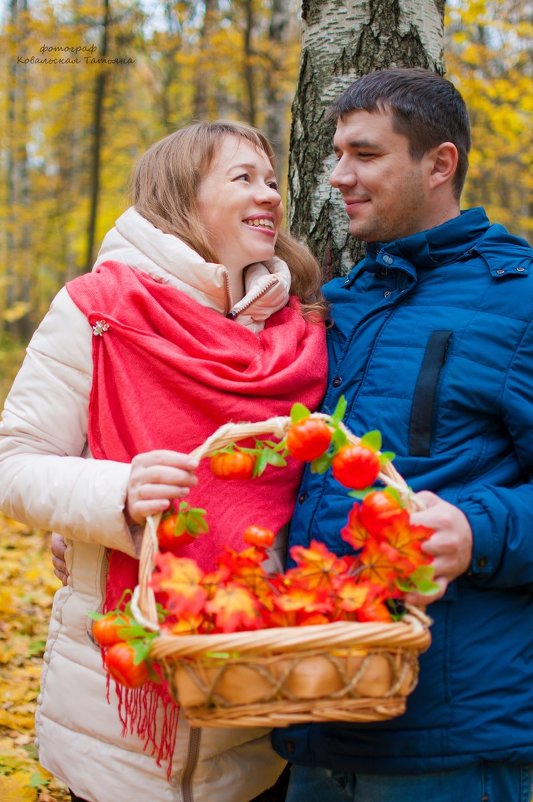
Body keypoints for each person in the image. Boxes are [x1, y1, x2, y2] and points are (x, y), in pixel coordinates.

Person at [0, 120, 328, 802]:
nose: (268, 194)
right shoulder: (96, 311)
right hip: (116, 711)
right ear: (180, 196)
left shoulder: (302, 333)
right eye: (242, 178)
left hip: (254, 699)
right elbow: (14, 461)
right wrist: (115, 492)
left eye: (272, 181)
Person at [271, 68, 533, 802]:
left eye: (364, 155)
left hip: (448, 744)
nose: (337, 178)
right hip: (312, 715)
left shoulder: (517, 302)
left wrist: (478, 532)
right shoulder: (337, 305)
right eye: (336, 155)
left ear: (438, 163)